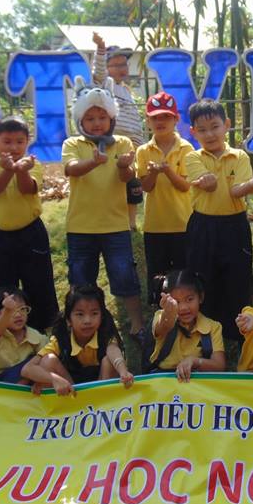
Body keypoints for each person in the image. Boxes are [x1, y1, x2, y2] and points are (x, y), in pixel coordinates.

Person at [62, 79, 148, 353]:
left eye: (102, 117)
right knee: (80, 280)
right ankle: (79, 326)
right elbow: (71, 169)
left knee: (125, 276)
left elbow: (127, 177)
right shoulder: (73, 143)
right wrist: (93, 162)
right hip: (80, 227)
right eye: (90, 118)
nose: (97, 123)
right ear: (80, 121)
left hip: (115, 225)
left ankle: (137, 325)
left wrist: (124, 166)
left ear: (111, 118)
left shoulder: (122, 142)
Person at [185, 99, 253, 340]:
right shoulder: (192, 157)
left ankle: (238, 333)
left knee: (238, 277)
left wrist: (252, 183)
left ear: (227, 125)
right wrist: (207, 181)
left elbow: (235, 191)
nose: (209, 134)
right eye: (202, 130)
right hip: (203, 226)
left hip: (235, 226)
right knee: (202, 277)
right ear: (193, 132)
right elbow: (208, 185)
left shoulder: (239, 156)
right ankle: (205, 333)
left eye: (215, 126)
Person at [0, 116, 58, 330]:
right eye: (7, 141)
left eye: (19, 142)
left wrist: (21, 170)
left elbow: (28, 189)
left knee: (39, 282)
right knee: (0, 285)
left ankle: (42, 326)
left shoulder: (33, 164)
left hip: (31, 233)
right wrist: (8, 170)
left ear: (27, 142)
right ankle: (1, 328)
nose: (13, 147)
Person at [21, 285, 133, 395]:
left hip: (101, 390)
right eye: (80, 314)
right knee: (48, 361)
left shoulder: (105, 334)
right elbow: (27, 369)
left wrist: (123, 371)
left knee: (109, 361)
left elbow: (113, 351)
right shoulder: (60, 340)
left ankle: (104, 401)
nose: (87, 320)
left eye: (94, 313)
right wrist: (53, 379)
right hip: (71, 391)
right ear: (68, 320)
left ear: (102, 316)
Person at [136, 92, 193, 289]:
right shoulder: (143, 151)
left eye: (166, 117)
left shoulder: (186, 149)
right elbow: (146, 187)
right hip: (154, 226)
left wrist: (168, 171)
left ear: (176, 119)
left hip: (182, 224)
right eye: (155, 117)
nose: (160, 122)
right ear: (147, 121)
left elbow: (185, 186)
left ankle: (185, 306)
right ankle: (157, 308)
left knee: (183, 277)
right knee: (157, 277)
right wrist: (153, 173)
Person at [92, 36, 145, 231]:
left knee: (133, 183)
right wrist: (101, 49)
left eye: (125, 64)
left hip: (133, 143)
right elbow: (98, 72)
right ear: (107, 68)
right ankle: (112, 220)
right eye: (117, 65)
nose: (123, 68)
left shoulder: (126, 90)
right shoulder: (106, 85)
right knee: (114, 182)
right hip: (115, 142)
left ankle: (131, 222)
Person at [149, 270, 226, 380]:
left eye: (189, 299)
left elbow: (219, 366)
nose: (183, 308)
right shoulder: (162, 317)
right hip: (165, 379)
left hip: (196, 380)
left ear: (201, 297)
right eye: (176, 302)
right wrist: (169, 313)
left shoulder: (213, 327)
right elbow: (164, 326)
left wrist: (195, 361)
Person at [0, 288, 48, 384]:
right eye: (11, 310)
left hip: (29, 382)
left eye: (22, 309)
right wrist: (7, 311)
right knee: (30, 365)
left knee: (45, 359)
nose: (18, 315)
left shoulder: (36, 336)